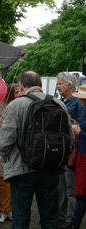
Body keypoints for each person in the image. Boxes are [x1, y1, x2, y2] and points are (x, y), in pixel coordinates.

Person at [0, 71, 74, 229]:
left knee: (20, 218)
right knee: (50, 219)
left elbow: (5, 140)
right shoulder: (59, 104)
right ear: (39, 84)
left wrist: (6, 159)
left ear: (21, 86)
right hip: (51, 168)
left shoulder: (16, 105)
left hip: (22, 170)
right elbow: (70, 137)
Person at [56, 72, 85, 229]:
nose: (57, 86)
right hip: (62, 150)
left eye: (60, 83)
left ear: (69, 85)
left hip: (73, 152)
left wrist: (71, 124)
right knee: (61, 187)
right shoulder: (62, 101)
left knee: (71, 188)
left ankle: (72, 219)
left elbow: (80, 126)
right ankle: (61, 217)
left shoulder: (78, 103)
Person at [0, 83, 20, 223]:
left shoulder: (23, 106)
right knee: (2, 180)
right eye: (17, 92)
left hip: (17, 148)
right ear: (11, 93)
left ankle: (11, 209)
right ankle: (2, 209)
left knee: (15, 181)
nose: (20, 94)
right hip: (0, 146)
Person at [65, 85, 86, 229]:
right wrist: (78, 125)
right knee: (80, 193)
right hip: (82, 156)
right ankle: (74, 224)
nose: (81, 102)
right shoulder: (85, 111)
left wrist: (80, 132)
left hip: (84, 158)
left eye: (83, 99)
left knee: (81, 194)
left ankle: (74, 224)